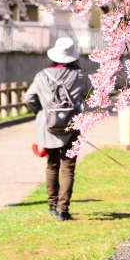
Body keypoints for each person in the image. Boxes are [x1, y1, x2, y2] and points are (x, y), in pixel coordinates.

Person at [24, 37, 87, 221]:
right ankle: (63, 210)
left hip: (47, 125)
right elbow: (88, 94)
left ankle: (52, 204)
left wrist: (41, 111)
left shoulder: (42, 75)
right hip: (72, 125)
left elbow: (29, 98)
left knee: (52, 165)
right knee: (68, 167)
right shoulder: (80, 76)